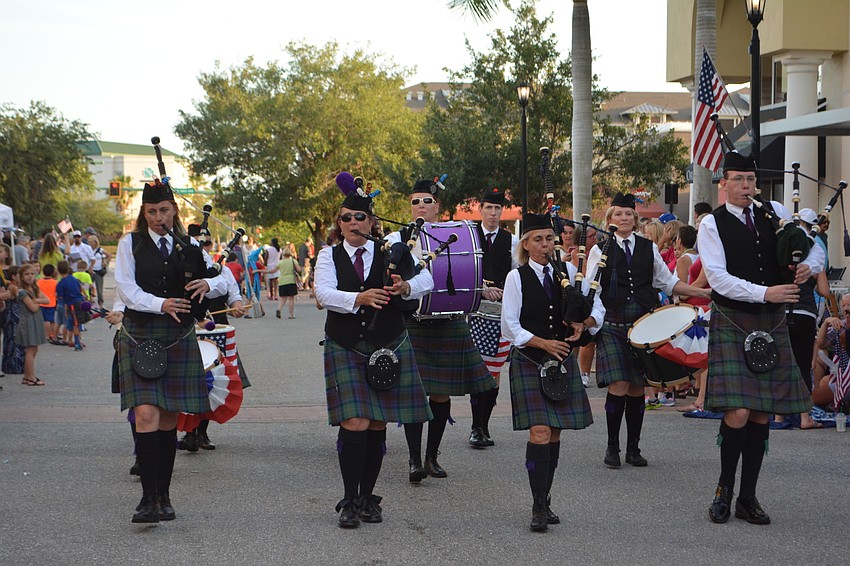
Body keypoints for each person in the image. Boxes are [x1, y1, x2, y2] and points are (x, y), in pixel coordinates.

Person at [698, 151, 817, 525]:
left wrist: (804, 270)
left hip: (772, 320)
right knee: (739, 410)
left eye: (751, 180)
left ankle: (748, 497)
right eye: (739, 180)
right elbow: (717, 278)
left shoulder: (773, 216)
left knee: (762, 411)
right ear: (724, 184)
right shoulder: (711, 225)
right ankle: (724, 489)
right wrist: (765, 293)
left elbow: (813, 252)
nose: (746, 187)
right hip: (735, 318)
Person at [314, 186, 433, 528]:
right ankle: (349, 499)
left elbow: (425, 277)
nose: (352, 222)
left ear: (372, 221)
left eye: (359, 217)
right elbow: (323, 292)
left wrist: (406, 287)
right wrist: (359, 298)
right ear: (339, 223)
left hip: (389, 343)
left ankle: (368, 497)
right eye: (346, 218)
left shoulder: (390, 251)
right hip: (346, 344)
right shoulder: (328, 255)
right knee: (355, 422)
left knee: (378, 422)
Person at [114, 180, 228, 523]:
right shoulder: (129, 243)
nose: (157, 217)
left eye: (163, 210)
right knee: (147, 415)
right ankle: (147, 499)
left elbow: (225, 280)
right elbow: (126, 288)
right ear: (143, 213)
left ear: (174, 210)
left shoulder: (189, 244)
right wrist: (161, 303)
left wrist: (208, 284)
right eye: (151, 211)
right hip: (140, 333)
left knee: (167, 419)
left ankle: (163, 496)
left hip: (177, 336)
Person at [585, 193, 710, 469]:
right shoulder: (599, 249)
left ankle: (633, 448)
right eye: (618, 214)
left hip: (643, 325)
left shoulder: (647, 247)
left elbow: (667, 283)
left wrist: (702, 293)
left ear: (635, 218)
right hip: (613, 324)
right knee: (619, 384)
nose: (624, 218)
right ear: (609, 220)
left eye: (628, 214)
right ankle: (612, 445)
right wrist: (590, 321)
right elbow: (591, 290)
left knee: (637, 387)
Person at [501, 213, 602, 532]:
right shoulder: (516, 278)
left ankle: (545, 499)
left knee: (555, 431)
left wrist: (582, 324)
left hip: (562, 362)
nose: (545, 245)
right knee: (540, 431)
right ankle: (537, 503)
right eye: (538, 240)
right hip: (531, 359)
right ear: (526, 245)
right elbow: (509, 326)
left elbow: (597, 307)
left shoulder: (570, 271)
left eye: (549, 239)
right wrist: (544, 343)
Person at [401, 179, 497, 482]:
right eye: (416, 201)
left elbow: (468, 271)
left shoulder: (456, 233)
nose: (421, 206)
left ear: (437, 206)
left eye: (427, 201)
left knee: (441, 395)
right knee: (417, 393)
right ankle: (414, 459)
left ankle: (432, 456)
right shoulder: (400, 237)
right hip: (414, 321)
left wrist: (480, 290)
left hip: (449, 320)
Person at [467, 188, 518, 448]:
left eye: (498, 208)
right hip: (474, 310)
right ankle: (476, 426)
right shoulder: (470, 235)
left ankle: (483, 425)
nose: (494, 213)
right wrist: (480, 289)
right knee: (480, 368)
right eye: (489, 208)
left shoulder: (511, 241)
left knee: (494, 371)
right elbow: (463, 270)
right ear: (481, 209)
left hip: (499, 312)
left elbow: (516, 275)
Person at [570, 223, 598, 388]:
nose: (594, 239)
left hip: (595, 297)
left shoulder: (598, 251)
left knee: (591, 339)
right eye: (590, 236)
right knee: (580, 338)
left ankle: (585, 373)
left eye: (595, 235)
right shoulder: (577, 253)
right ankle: (577, 371)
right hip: (581, 298)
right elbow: (586, 274)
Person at [14, 263, 48, 385]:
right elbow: (32, 308)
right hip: (27, 321)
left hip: (35, 320)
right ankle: (30, 377)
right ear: (22, 277)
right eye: (27, 274)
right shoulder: (22, 292)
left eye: (32, 274)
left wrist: (37, 300)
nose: (30, 277)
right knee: (30, 349)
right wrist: (38, 302)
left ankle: (27, 375)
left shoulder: (35, 288)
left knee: (34, 349)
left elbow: (47, 300)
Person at [56, 260, 87, 350]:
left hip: (71, 304)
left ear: (58, 271)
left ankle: (76, 342)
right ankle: (77, 341)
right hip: (79, 301)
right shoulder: (74, 279)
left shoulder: (61, 284)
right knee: (78, 323)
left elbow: (61, 298)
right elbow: (80, 288)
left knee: (74, 324)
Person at [36, 264, 59, 345]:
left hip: (41, 302)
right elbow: (56, 293)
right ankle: (49, 335)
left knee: (42, 320)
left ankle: (42, 335)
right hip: (51, 303)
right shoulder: (55, 282)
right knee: (50, 320)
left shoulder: (39, 281)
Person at [275, 247, 301, 319]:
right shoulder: (293, 261)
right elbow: (299, 269)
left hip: (282, 281)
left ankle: (279, 309)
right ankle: (291, 314)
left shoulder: (280, 262)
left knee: (283, 298)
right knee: (291, 298)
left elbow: (274, 270)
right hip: (291, 280)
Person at [88, 235, 111, 307]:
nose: (90, 244)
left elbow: (109, 255)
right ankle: (89, 301)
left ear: (95, 242)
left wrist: (105, 262)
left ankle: (100, 304)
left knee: (99, 288)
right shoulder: (88, 249)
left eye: (91, 242)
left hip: (98, 271)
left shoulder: (100, 250)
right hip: (90, 270)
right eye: (89, 242)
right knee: (88, 287)